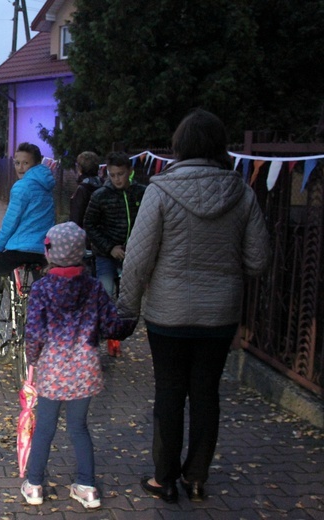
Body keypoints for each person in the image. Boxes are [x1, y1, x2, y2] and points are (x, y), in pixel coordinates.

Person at [117, 109, 271, 503]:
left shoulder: (161, 190)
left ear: (179, 146)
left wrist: (127, 310)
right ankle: (197, 477)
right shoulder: (243, 193)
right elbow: (257, 260)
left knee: (169, 392)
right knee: (206, 394)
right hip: (219, 316)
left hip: (167, 315)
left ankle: (164, 479)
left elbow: (137, 258)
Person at [21, 222, 137, 508]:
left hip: (52, 370)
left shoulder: (42, 288)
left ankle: (34, 484)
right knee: (79, 427)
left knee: (45, 428)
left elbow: (34, 332)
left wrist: (32, 360)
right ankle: (86, 486)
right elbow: (112, 325)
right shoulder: (95, 288)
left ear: (50, 252)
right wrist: (130, 318)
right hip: (84, 370)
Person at [0, 142, 55, 349]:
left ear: (36, 164)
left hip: (20, 249)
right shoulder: (47, 185)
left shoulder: (22, 186)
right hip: (43, 251)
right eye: (17, 163)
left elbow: (11, 220)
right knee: (45, 288)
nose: (21, 167)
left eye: (26, 163)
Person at [83, 151, 146, 357]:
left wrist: (136, 247)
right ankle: (103, 335)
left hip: (133, 253)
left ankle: (117, 332)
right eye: (113, 175)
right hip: (106, 254)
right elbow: (89, 224)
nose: (118, 179)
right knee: (106, 292)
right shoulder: (101, 195)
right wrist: (110, 247)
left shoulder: (141, 193)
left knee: (129, 298)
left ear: (129, 172)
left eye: (121, 174)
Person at [68, 151, 101, 236]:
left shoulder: (82, 188)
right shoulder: (103, 184)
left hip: (83, 236)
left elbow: (77, 216)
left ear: (80, 168)